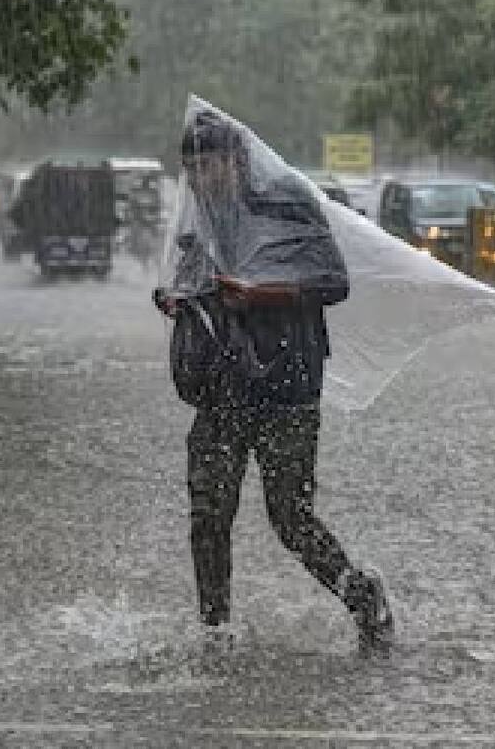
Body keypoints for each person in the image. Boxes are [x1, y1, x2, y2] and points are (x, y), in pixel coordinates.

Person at [155, 112, 394, 652]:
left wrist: (261, 294)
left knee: (289, 516)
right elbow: (197, 282)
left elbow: (333, 282)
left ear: (237, 160)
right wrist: (179, 301)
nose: (199, 179)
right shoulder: (203, 218)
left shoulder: (286, 203)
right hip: (223, 386)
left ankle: (360, 595)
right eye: (190, 169)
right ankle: (215, 630)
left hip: (287, 384)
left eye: (208, 166)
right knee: (208, 514)